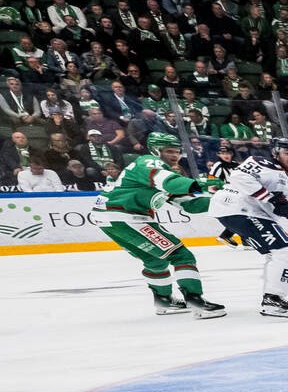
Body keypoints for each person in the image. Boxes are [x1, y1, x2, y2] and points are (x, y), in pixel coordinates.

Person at [93, 131, 225, 318]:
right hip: (125, 215)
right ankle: (196, 302)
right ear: (156, 150)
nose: (174, 155)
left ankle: (163, 300)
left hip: (111, 218)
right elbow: (172, 183)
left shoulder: (165, 174)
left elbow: (190, 205)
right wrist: (200, 184)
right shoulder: (148, 162)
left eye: (177, 151)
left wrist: (226, 200)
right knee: (181, 255)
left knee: (155, 260)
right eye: (169, 151)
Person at [209, 136, 288, 318]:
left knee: (277, 254)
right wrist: (270, 198)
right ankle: (272, 300)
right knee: (286, 252)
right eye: (287, 153)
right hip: (239, 208)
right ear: (276, 153)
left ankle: (272, 298)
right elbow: (239, 177)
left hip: (249, 212)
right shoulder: (261, 162)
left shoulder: (287, 178)